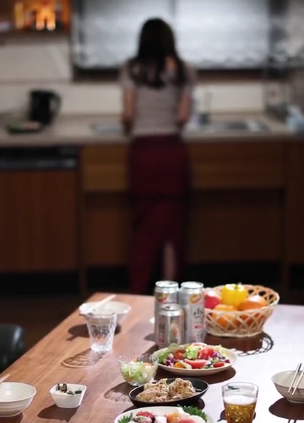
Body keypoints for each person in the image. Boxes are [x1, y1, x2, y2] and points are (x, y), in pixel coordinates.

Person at [119, 18, 197, 294]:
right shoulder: (185, 70)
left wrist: (132, 126)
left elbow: (128, 115)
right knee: (172, 227)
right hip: (171, 152)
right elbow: (183, 117)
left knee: (144, 225)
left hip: (144, 153)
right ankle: (171, 292)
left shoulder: (131, 69)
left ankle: (138, 288)